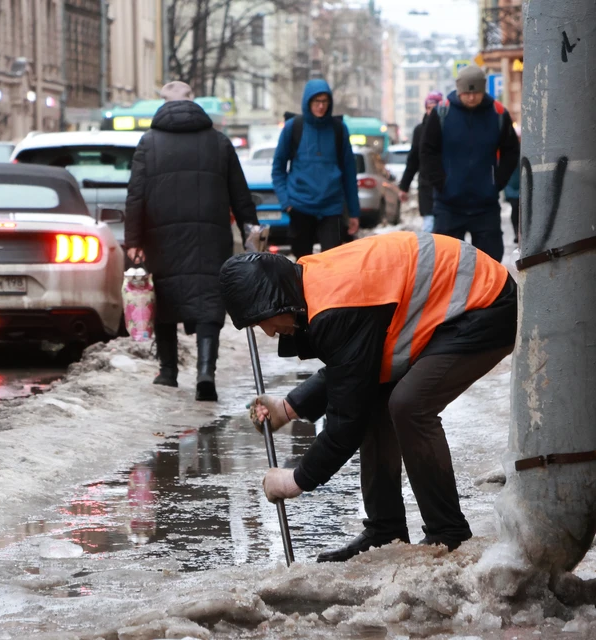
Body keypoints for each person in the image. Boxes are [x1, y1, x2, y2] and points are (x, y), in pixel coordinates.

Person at [220, 231, 516, 562]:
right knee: (374, 398)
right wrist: (287, 408)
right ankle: (385, 530)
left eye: (263, 321)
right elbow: (355, 370)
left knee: (409, 405)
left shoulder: (336, 308)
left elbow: (346, 422)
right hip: (452, 304)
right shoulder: (310, 286)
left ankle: (448, 533)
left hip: (483, 303)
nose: (270, 332)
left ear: (277, 301)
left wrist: (295, 481)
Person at [125, 81, 259, 402]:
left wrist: (133, 239)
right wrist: (250, 229)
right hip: (211, 237)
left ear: (163, 105)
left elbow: (135, 196)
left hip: (161, 236)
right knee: (210, 301)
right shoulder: (219, 142)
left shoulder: (148, 143)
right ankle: (205, 372)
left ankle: (168, 371)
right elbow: (240, 193)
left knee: (166, 299)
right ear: (192, 103)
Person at [421, 66, 520, 262]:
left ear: (483, 90)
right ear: (459, 90)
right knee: (445, 263)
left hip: (485, 205)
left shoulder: (498, 114)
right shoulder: (442, 113)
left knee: (490, 263)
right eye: (467, 92)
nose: (472, 97)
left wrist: (497, 182)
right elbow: (426, 151)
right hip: (448, 204)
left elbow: (511, 151)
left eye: (476, 92)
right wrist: (440, 182)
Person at [271, 79, 361, 259]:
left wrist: (354, 212)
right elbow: (278, 169)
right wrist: (286, 202)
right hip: (300, 206)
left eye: (324, 102)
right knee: (303, 264)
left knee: (333, 264)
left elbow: (349, 173)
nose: (321, 106)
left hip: (332, 207)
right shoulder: (293, 128)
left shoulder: (338, 129)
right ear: (308, 102)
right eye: (316, 102)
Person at [398, 91, 444, 233]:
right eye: (429, 108)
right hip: (426, 186)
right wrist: (404, 186)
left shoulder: (447, 128)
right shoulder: (419, 130)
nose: (431, 112)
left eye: (435, 108)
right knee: (429, 227)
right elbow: (413, 160)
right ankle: (430, 255)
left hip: (445, 185)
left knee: (445, 228)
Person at [505, 124, 522, 244]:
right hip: (511, 185)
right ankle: (517, 232)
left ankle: (520, 233)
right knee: (515, 209)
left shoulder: (525, 149)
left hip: (520, 185)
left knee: (520, 209)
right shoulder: (508, 150)